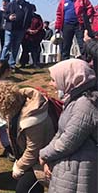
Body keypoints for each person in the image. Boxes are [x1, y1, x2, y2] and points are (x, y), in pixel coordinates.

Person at [39, 59, 98, 192]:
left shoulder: (86, 104)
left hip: (79, 170)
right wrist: (49, 157)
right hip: (70, 165)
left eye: (53, 80)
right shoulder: (74, 99)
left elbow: (68, 141)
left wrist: (44, 154)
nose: (51, 83)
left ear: (70, 79)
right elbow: (61, 132)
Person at [0, 83, 53, 193]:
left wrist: (19, 167)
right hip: (32, 160)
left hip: (41, 161)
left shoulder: (33, 120)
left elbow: (33, 149)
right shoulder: (18, 104)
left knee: (23, 189)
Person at [3, 0, 35, 67]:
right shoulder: (11, 4)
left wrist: (26, 27)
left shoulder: (27, 6)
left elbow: (30, 17)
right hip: (10, 28)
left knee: (16, 47)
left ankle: (12, 64)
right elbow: (4, 15)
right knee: (7, 45)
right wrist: (9, 17)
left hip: (20, 30)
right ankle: (2, 62)